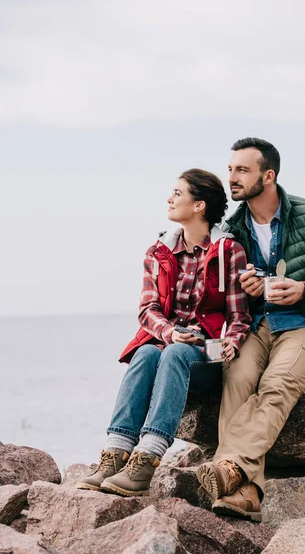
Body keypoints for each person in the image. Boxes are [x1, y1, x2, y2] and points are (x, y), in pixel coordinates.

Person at [196, 138, 305, 522]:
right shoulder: (232, 229)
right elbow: (225, 292)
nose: (232, 177)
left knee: (277, 385)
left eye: (242, 170)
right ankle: (247, 493)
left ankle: (230, 470)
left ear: (268, 176)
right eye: (231, 168)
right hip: (256, 324)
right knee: (235, 381)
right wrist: (247, 287)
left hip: (304, 325)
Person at [77, 168, 251, 497]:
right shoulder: (159, 252)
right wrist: (170, 332)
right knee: (144, 352)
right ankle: (115, 455)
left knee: (174, 353)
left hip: (205, 355)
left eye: (177, 193)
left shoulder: (229, 252)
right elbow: (147, 310)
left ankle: (146, 460)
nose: (169, 199)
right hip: (167, 343)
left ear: (199, 206)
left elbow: (239, 316)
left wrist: (232, 342)